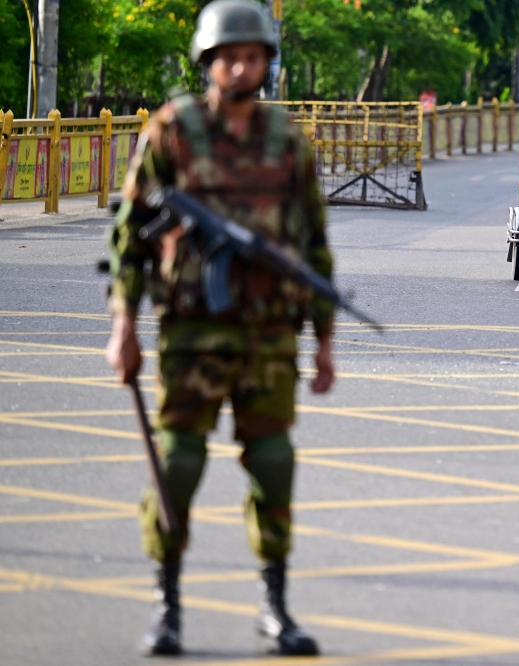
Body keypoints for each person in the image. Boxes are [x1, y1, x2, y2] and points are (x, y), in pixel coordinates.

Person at [103, 0, 332, 656]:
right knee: (176, 463)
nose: (242, 66)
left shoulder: (288, 141)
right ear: (209, 60)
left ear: (266, 62)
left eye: (254, 56)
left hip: (269, 335)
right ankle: (167, 604)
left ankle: (275, 606)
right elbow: (129, 240)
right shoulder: (173, 132)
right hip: (192, 334)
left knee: (274, 463)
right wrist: (123, 327)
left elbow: (314, 246)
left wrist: (324, 346)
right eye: (230, 56)